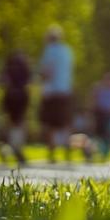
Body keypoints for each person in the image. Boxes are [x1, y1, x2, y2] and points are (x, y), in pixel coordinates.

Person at [37, 25, 74, 163]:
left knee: (50, 123)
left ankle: (52, 152)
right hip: (66, 90)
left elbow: (46, 71)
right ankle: (67, 151)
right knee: (65, 122)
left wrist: (40, 79)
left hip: (52, 91)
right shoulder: (68, 51)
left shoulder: (49, 50)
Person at [0, 50, 31, 166]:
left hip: (11, 96)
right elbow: (29, 81)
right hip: (20, 97)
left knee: (11, 123)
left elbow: (2, 81)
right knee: (19, 123)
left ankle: (9, 147)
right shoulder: (24, 67)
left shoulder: (9, 66)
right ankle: (15, 147)